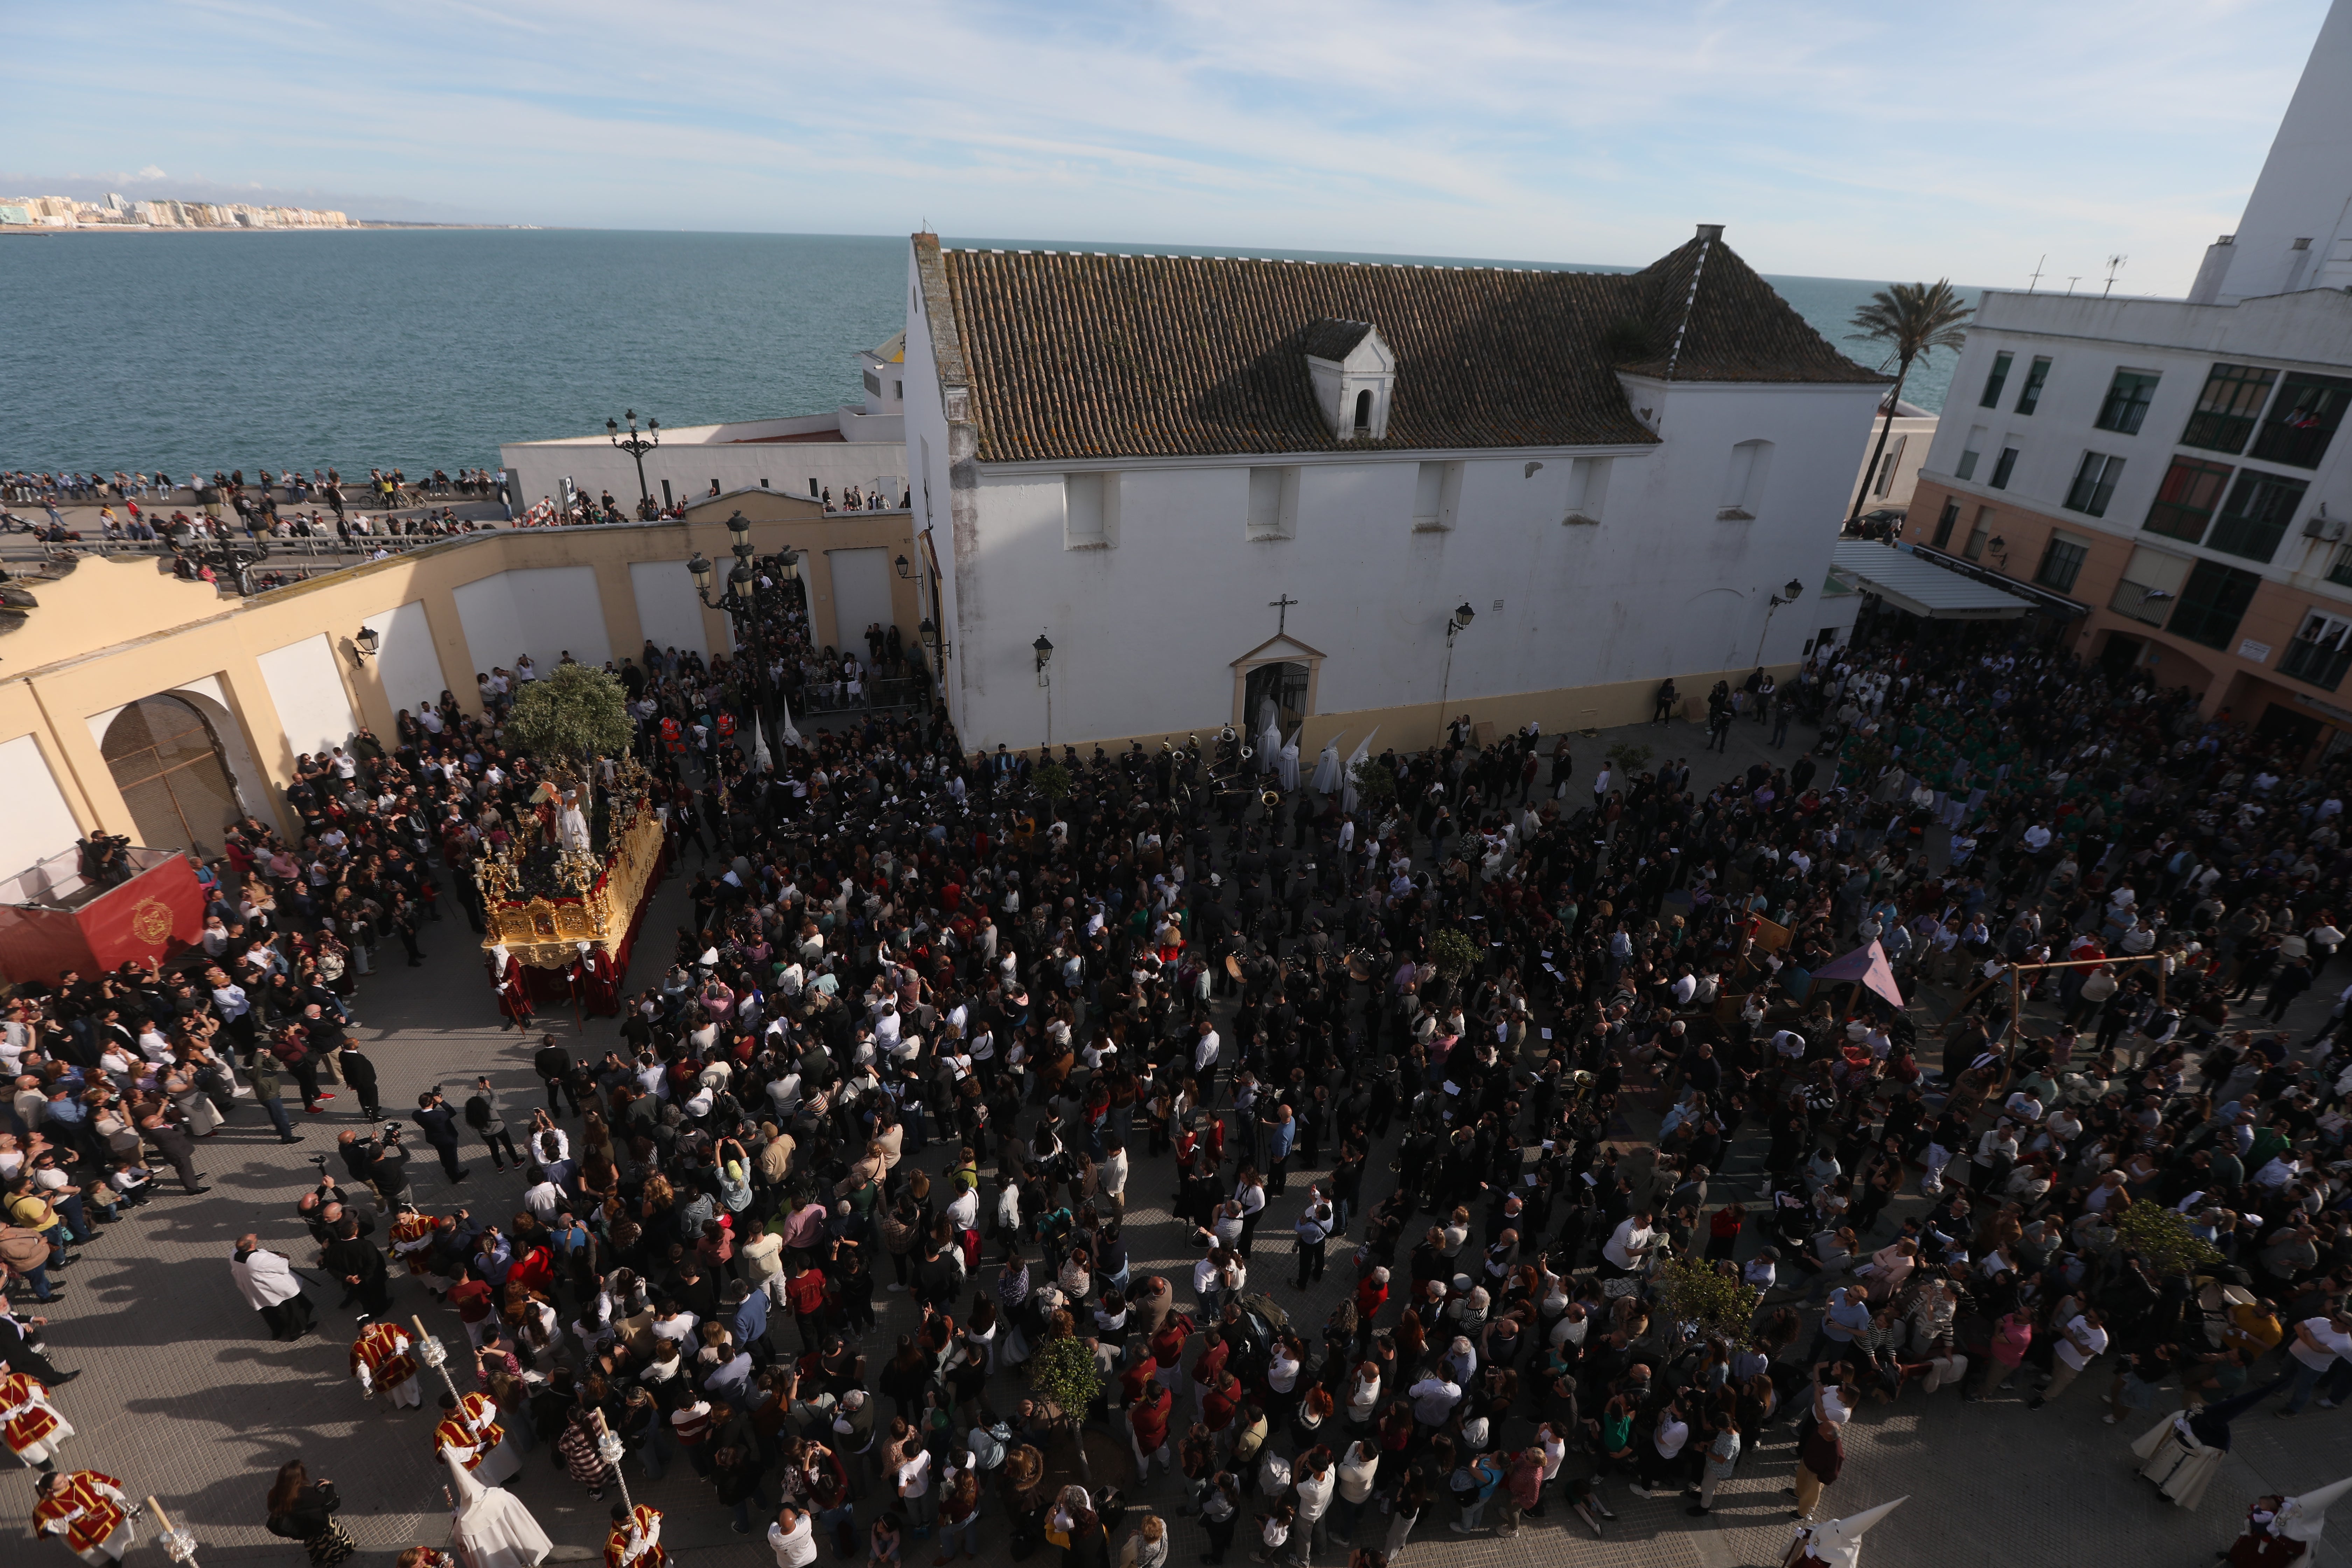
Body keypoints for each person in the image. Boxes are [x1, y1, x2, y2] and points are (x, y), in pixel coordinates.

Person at [266, 1459, 357, 1567]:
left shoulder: (275, 1492)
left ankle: (317, 1558)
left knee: (313, 1542)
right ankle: (336, 1557)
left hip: (300, 1527)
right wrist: (330, 1485)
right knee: (329, 1540)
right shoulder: (305, 1494)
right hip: (315, 1524)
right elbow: (326, 1499)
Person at [34, 1469, 135, 1564]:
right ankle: (111, 1560)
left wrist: (114, 1494)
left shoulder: (79, 1477)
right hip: (84, 1529)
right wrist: (67, 1518)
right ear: (50, 1489)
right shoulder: (45, 1507)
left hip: (105, 1513)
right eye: (61, 1483)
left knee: (119, 1530)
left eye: (64, 1477)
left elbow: (98, 1486)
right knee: (103, 1547)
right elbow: (46, 1526)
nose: (66, 1481)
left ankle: (125, 1541)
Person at [231, 1234, 315, 1340]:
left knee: (269, 1312)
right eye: (254, 1237)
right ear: (252, 1245)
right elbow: (282, 1266)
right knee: (291, 1309)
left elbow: (260, 1253)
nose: (256, 1235)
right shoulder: (258, 1260)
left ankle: (277, 1330)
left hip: (255, 1290)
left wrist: (276, 1254)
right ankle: (297, 1332)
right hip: (274, 1290)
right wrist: (284, 1258)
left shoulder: (235, 1253)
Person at [0, 1370, 75, 1473]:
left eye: (3, 1374)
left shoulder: (18, 1378)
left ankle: (54, 1441)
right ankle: (42, 1462)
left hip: (33, 1411)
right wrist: (3, 1417)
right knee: (30, 1447)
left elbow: (33, 1386)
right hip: (12, 1425)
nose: (5, 1378)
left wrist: (33, 1400)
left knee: (49, 1428)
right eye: (1, 1379)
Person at [350, 1320, 423, 1410]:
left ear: (374, 1323)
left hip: (399, 1363)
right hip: (382, 1372)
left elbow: (399, 1336)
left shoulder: (387, 1328)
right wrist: (365, 1376)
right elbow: (361, 1364)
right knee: (394, 1389)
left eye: (371, 1329)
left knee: (407, 1384)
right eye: (365, 1332)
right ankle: (401, 1403)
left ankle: (416, 1402)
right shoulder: (358, 1346)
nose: (369, 1333)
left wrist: (399, 1346)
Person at [606, 1503, 664, 1568]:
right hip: (640, 1565)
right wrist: (634, 1542)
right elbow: (622, 1561)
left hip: (657, 1553)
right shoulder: (615, 1539)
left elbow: (655, 1520)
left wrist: (650, 1542)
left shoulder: (640, 1510)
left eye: (633, 1514)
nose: (633, 1518)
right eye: (629, 1519)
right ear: (619, 1522)